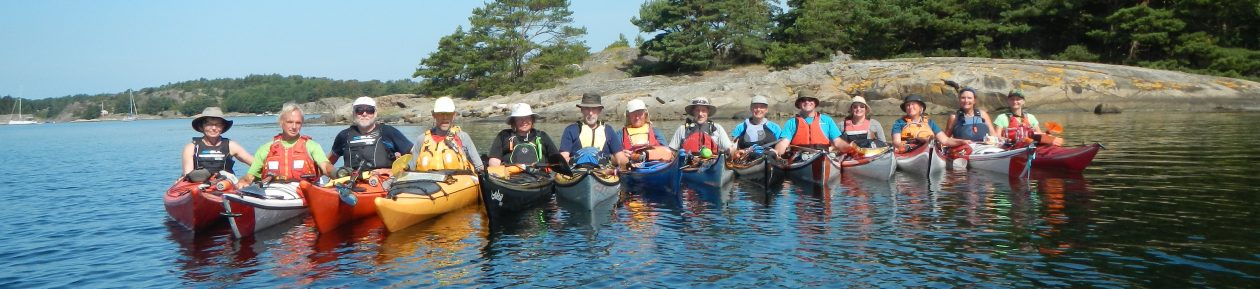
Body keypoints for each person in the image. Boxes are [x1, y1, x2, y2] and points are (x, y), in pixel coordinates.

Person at [237, 103, 333, 187]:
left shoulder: (312, 146)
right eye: (290, 122)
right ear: (281, 123)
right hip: (274, 194)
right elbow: (250, 176)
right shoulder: (266, 149)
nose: (294, 127)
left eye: (298, 123)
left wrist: (337, 174)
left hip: (304, 192)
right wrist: (242, 182)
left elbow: (325, 166)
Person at [328, 96, 414, 171]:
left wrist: (393, 171)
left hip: (384, 183)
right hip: (352, 184)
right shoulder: (344, 135)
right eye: (359, 110)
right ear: (354, 113)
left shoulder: (388, 132)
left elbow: (414, 153)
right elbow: (327, 163)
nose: (364, 114)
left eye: (369, 110)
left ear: (375, 113)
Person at [181, 107, 253, 182]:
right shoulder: (191, 147)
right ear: (201, 126)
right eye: (209, 124)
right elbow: (188, 174)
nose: (214, 128)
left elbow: (256, 165)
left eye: (218, 124)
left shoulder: (231, 145)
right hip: (198, 187)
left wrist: (248, 178)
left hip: (227, 187)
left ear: (222, 127)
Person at [411, 97, 484, 172]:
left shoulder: (463, 137)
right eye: (440, 114)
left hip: (458, 182)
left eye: (448, 114)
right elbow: (411, 170)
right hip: (427, 182)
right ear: (434, 115)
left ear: (454, 115)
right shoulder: (421, 139)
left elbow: (480, 168)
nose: (445, 117)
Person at [773, 93, 849, 157]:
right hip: (799, 157)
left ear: (815, 103)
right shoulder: (791, 122)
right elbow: (784, 143)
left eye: (810, 100)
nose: (807, 102)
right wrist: (776, 152)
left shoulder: (827, 120)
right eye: (803, 100)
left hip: (824, 155)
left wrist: (850, 149)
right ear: (799, 104)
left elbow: (837, 142)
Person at [558, 93, 623, 166]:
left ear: (600, 110)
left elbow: (620, 157)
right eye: (587, 109)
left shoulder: (608, 130)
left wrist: (627, 164)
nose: (590, 113)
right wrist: (577, 160)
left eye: (594, 109)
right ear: (582, 110)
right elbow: (563, 157)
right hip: (578, 171)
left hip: (603, 172)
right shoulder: (571, 130)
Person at [890, 95, 971, 153]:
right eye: (908, 105)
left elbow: (945, 140)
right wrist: (908, 146)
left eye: (913, 104)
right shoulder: (899, 123)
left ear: (921, 108)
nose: (910, 107)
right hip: (908, 151)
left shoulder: (930, 122)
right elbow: (896, 142)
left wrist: (962, 141)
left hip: (928, 150)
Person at [487, 103, 559, 167]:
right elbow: (494, 160)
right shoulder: (504, 135)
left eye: (527, 117)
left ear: (532, 120)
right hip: (511, 178)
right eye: (519, 119)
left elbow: (556, 160)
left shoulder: (542, 136)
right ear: (514, 122)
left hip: (540, 177)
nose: (524, 121)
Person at [612, 98, 673, 168]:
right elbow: (611, 159)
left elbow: (667, 152)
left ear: (645, 114)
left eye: (640, 114)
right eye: (634, 114)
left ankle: (643, 156)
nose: (637, 117)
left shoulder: (656, 132)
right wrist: (622, 156)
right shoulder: (620, 134)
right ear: (628, 116)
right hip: (631, 167)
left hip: (656, 165)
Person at [668, 96, 736, 158]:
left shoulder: (717, 128)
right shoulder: (682, 129)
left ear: (708, 112)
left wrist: (732, 151)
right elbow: (671, 151)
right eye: (697, 110)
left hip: (712, 163)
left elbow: (729, 148)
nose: (700, 114)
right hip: (687, 165)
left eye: (703, 110)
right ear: (693, 111)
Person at [993, 89, 1063, 147]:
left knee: (1055, 141)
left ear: (1023, 101)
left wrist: (1048, 136)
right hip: (1010, 148)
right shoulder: (1001, 118)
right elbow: (997, 137)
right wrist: (1010, 140)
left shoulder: (1031, 117)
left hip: (1030, 147)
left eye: (1018, 99)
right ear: (1008, 101)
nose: (1015, 101)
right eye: (1012, 99)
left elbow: (1038, 133)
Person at [729, 95, 783, 159]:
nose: (758, 109)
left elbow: (781, 146)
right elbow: (732, 147)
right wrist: (736, 152)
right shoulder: (740, 128)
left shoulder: (775, 128)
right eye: (755, 107)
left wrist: (776, 151)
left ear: (766, 110)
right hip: (746, 159)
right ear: (751, 108)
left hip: (769, 157)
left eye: (762, 107)